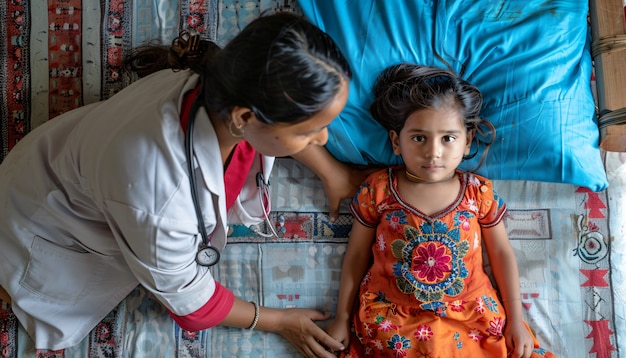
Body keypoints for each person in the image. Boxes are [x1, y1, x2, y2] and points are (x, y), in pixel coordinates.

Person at [0, 12, 350, 357]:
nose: (324, 138)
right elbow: (193, 307)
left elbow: (275, 123)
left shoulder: (226, 80)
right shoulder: (160, 199)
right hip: (45, 228)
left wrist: (333, 173)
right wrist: (280, 321)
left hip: (62, 163)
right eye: (307, 132)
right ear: (244, 117)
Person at [324, 64, 555, 358]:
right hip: (393, 323)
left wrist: (516, 320)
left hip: (473, 319)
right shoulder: (378, 189)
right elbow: (356, 255)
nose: (433, 152)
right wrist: (342, 316)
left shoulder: (478, 193)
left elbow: (501, 255)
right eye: (419, 138)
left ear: (468, 140)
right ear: (396, 142)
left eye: (448, 138)